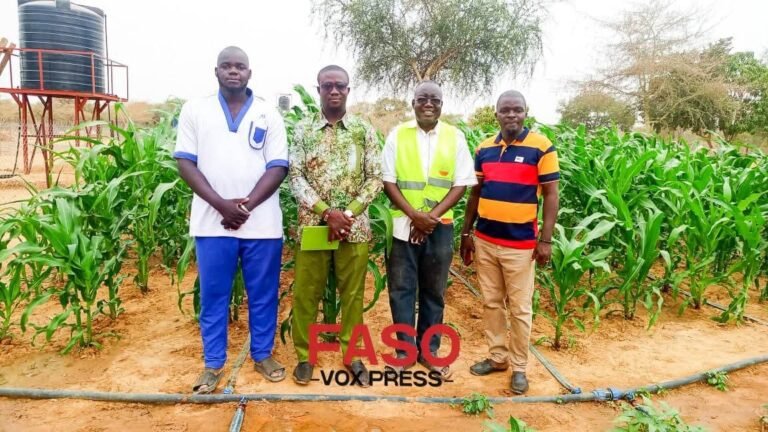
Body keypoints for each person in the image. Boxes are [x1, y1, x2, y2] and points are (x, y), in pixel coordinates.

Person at [174, 46, 289, 394]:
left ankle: (263, 355)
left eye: (240, 66)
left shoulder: (270, 114)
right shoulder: (195, 110)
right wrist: (221, 205)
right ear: (217, 71)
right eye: (227, 66)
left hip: (263, 224)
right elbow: (185, 163)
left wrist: (246, 206)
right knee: (213, 294)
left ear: (249, 73)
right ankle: (212, 364)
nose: (234, 71)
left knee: (264, 294)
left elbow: (278, 166)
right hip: (212, 223)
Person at [460, 90, 560, 394]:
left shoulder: (541, 147)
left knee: (519, 308)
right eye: (506, 110)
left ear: (526, 112)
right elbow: (475, 194)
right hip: (486, 240)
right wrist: (466, 233)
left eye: (517, 110)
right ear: (496, 115)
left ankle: (519, 368)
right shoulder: (484, 149)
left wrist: (545, 240)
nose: (511, 115)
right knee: (491, 303)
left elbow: (552, 195)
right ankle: (498, 357)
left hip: (520, 245)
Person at [288, 65, 382, 387]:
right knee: (306, 293)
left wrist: (348, 214)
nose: (333, 91)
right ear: (318, 90)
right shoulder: (302, 130)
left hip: (353, 230)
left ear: (348, 90)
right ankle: (305, 356)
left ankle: (352, 355)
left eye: (339, 86)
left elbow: (375, 178)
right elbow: (296, 177)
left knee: (352, 294)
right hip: (314, 226)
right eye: (327, 86)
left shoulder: (363, 131)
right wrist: (328, 213)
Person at [382, 80, 477, 379]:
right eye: (422, 98)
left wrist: (430, 218)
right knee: (401, 290)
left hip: (440, 227)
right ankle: (404, 351)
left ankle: (430, 351)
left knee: (434, 292)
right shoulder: (398, 135)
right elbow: (388, 181)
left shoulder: (455, 137)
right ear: (413, 102)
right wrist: (414, 216)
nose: (428, 104)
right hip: (402, 227)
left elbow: (461, 184)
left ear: (441, 105)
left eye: (434, 100)